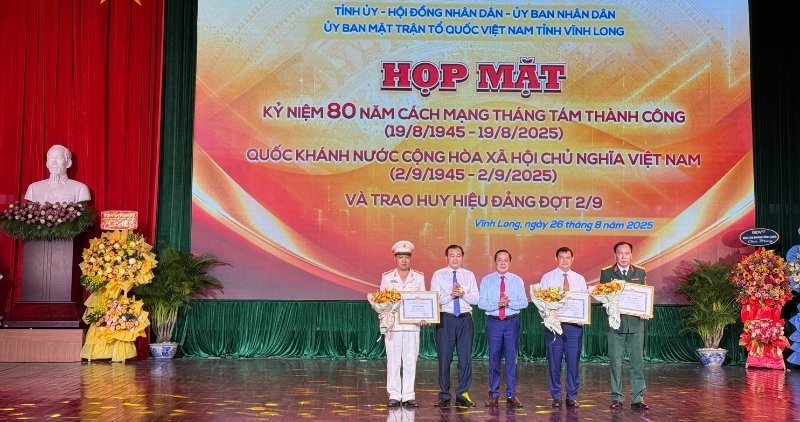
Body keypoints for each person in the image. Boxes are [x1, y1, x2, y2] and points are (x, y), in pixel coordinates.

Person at [599, 241, 651, 411]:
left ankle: (638, 398)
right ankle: (616, 397)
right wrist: (610, 306)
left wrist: (646, 310)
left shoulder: (640, 272)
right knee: (615, 363)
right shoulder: (606, 273)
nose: (623, 256)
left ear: (631, 255)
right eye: (620, 253)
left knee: (637, 363)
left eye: (626, 253)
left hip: (636, 325)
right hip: (615, 325)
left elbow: (645, 296)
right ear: (615, 255)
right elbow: (602, 298)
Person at [477, 249, 528, 408]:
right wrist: (497, 304)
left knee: (512, 360)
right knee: (494, 360)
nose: (503, 262)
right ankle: (493, 394)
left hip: (511, 323)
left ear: (510, 262)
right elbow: (481, 304)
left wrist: (509, 303)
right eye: (500, 260)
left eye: (506, 260)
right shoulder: (486, 280)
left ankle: (512, 394)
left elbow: (524, 302)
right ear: (495, 262)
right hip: (494, 323)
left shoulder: (517, 280)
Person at [431, 244, 479, 408]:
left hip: (465, 320)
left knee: (465, 359)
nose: (456, 258)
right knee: (444, 359)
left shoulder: (469, 275)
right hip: (446, 319)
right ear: (447, 258)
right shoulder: (438, 275)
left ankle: (462, 394)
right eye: (452, 255)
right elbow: (435, 299)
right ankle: (444, 395)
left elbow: (476, 299)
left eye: (458, 255)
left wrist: (463, 294)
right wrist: (451, 295)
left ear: (462, 257)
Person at [539, 247, 588, 409]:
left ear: (572, 259)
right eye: (562, 257)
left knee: (573, 362)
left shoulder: (579, 279)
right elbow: (541, 302)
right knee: (554, 362)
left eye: (568, 257)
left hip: (574, 327)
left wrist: (582, 317)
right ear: (556, 259)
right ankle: (556, 396)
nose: (565, 260)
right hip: (554, 326)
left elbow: (584, 302)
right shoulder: (547, 278)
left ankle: (572, 396)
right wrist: (548, 317)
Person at [380, 240, 426, 408]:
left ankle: (408, 395)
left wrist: (424, 316)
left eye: (407, 257)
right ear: (395, 259)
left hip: (412, 326)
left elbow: (423, 301)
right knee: (393, 361)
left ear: (410, 258)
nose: (404, 260)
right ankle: (394, 394)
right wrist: (383, 312)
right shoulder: (387, 277)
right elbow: (382, 300)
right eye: (401, 257)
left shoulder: (419, 277)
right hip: (393, 326)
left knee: (410, 361)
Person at [24, 144, 91, 204]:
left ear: (68, 163)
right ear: (47, 163)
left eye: (59, 158)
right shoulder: (33, 188)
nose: (53, 163)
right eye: (50, 158)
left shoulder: (80, 189)